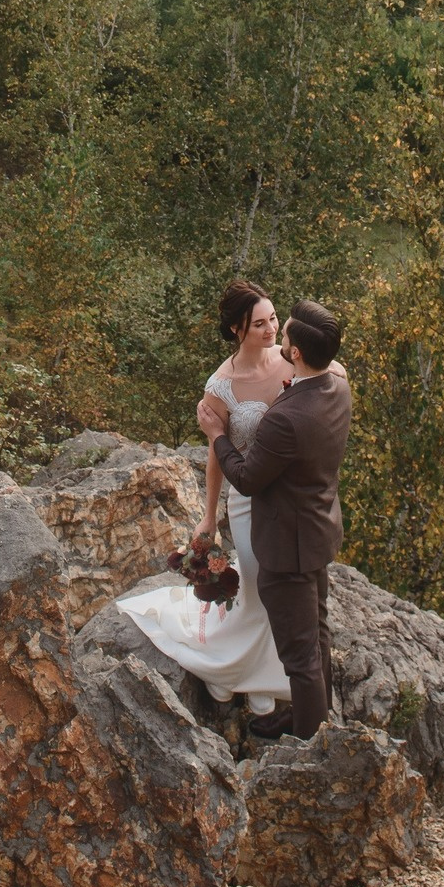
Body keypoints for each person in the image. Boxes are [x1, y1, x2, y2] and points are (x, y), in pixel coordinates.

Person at [114, 281, 293, 716]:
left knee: (281, 583)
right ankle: (228, 668)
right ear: (237, 329)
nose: (270, 330)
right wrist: (208, 517)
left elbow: (332, 373)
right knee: (253, 582)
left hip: (288, 496)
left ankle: (265, 672)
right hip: (249, 498)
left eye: (273, 319)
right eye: (259, 324)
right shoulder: (222, 386)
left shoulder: (291, 360)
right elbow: (216, 455)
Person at [198, 298, 350, 739]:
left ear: (298, 353)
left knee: (301, 654)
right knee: (316, 634)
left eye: (281, 330)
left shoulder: (286, 416)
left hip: (288, 541)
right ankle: (310, 714)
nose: (275, 334)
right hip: (318, 528)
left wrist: (217, 435)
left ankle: (309, 739)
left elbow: (245, 478)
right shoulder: (336, 387)